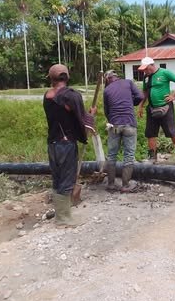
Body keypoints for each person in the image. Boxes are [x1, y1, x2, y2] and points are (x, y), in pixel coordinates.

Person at [43, 64, 95, 226]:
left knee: (57, 178)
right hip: (66, 144)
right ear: (67, 77)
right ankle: (63, 219)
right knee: (67, 178)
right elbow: (80, 119)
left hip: (52, 144)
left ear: (51, 78)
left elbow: (67, 114)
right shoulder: (71, 96)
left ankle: (61, 214)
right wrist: (90, 117)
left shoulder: (47, 95)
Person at [137, 57, 175, 166]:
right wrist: (141, 106)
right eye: (143, 69)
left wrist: (174, 96)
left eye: (146, 68)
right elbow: (145, 92)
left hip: (165, 108)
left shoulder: (164, 73)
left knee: (171, 132)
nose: (145, 71)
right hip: (151, 108)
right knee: (150, 133)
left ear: (152, 65)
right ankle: (152, 157)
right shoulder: (146, 77)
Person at [102, 69, 145, 192]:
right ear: (117, 77)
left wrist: (112, 120)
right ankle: (125, 185)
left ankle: (111, 184)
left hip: (114, 125)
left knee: (112, 155)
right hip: (129, 124)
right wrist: (132, 102)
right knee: (129, 155)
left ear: (107, 79)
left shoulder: (107, 90)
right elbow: (141, 96)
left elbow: (106, 111)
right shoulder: (128, 83)